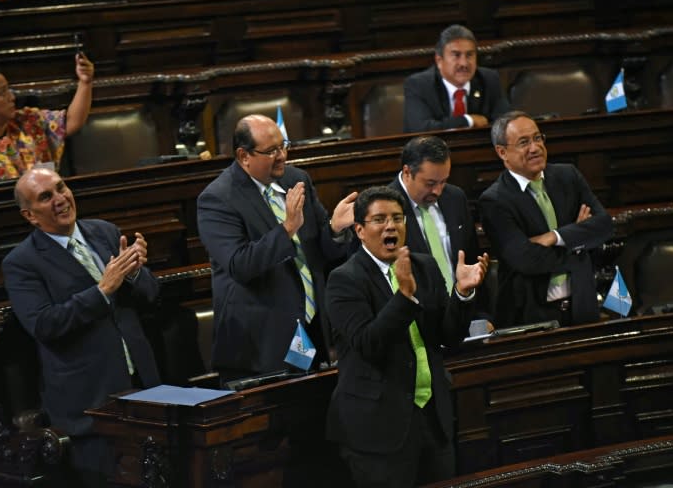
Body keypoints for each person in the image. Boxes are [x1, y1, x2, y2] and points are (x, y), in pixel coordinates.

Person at [1, 167, 160, 486]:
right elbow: (44, 325)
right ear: (30, 216)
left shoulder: (104, 232)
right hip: (90, 404)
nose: (60, 199)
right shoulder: (22, 263)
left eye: (61, 188)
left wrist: (134, 273)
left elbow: (152, 295)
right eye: (46, 197)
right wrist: (102, 290)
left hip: (143, 387)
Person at [325, 186, 487, 487]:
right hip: (377, 427)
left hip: (431, 418)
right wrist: (403, 297)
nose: (391, 226)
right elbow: (368, 344)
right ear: (360, 230)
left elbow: (448, 338)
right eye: (380, 219)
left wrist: (462, 295)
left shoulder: (424, 266)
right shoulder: (344, 280)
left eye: (398, 218)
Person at [197, 114, 357, 383]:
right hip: (260, 344)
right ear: (243, 155)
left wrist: (335, 230)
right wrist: (287, 229)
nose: (282, 156)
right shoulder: (217, 199)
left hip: (312, 329)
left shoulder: (297, 179)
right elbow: (240, 265)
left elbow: (322, 252)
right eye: (271, 151)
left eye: (284, 146)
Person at [478, 110, 613, 328]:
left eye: (538, 138)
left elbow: (604, 225)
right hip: (531, 314)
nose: (535, 148)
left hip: (582, 306)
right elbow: (525, 259)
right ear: (502, 152)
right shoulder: (494, 200)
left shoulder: (568, 176)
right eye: (524, 142)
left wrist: (555, 237)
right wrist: (578, 243)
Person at [0, 52, 94, 185]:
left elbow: (71, 121)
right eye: (2, 93)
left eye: (8, 90)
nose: (12, 97)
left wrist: (85, 82)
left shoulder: (28, 120)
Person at [388, 135, 479, 294]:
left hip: (463, 306)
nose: (438, 191)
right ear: (407, 172)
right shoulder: (385, 207)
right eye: (430, 183)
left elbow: (472, 259)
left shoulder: (455, 198)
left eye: (443, 181)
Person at [403, 24, 510, 133]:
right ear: (439, 60)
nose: (464, 63)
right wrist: (469, 120)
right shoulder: (419, 85)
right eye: (456, 55)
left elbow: (506, 124)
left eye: (469, 55)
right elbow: (421, 129)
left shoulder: (489, 79)